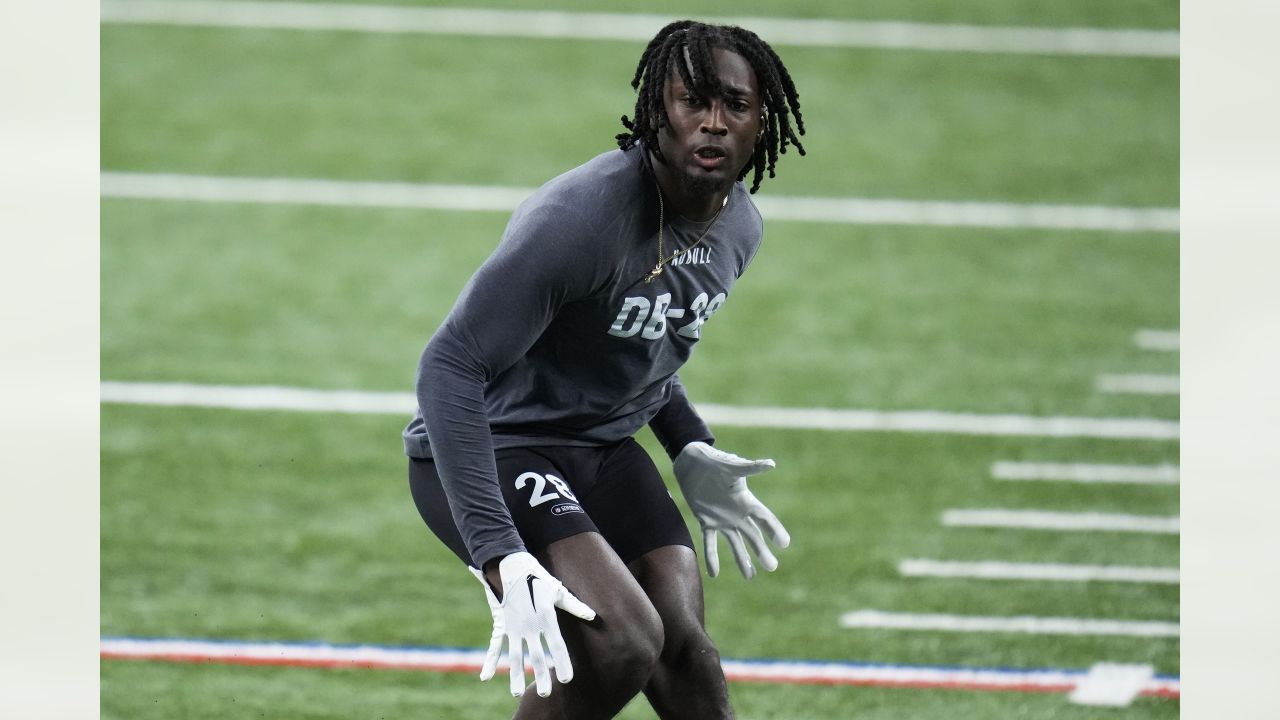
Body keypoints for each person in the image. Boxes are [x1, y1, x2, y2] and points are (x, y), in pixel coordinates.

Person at [404, 19, 806, 719]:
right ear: (657, 112)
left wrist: (687, 441)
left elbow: (641, 349)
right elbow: (449, 366)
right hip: (497, 445)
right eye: (693, 103)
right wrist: (498, 549)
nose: (713, 124)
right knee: (622, 638)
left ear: (760, 121)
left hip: (601, 448)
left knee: (690, 659)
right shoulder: (580, 221)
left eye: (734, 106)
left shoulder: (739, 229)